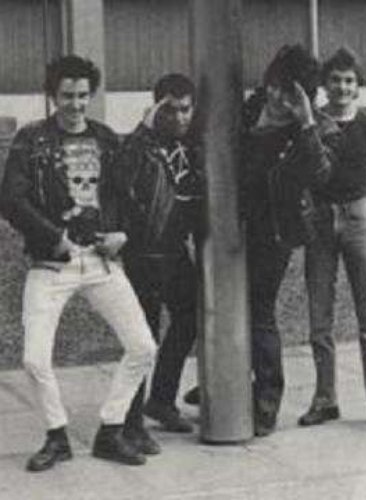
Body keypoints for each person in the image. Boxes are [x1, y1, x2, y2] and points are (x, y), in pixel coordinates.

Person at [0, 55, 157, 472]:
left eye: (83, 95)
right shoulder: (31, 139)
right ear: (53, 95)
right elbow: (10, 199)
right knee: (34, 359)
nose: (75, 104)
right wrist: (53, 237)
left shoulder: (105, 138)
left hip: (101, 262)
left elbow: (127, 195)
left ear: (91, 95)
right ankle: (57, 437)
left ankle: (111, 430)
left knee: (143, 347)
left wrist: (123, 234)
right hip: (52, 263)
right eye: (67, 95)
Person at [299, 47, 366, 430]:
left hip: (359, 218)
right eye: (335, 80)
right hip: (320, 222)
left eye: (349, 81)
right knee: (319, 317)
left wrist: (365, 212)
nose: (342, 87)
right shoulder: (313, 125)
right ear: (325, 84)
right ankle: (325, 400)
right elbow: (302, 171)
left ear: (358, 86)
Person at [241, 45, 337, 437]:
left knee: (259, 312)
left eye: (290, 93)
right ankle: (230, 377)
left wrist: (306, 122)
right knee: (223, 305)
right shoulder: (249, 109)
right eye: (276, 86)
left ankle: (266, 402)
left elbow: (321, 174)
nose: (279, 98)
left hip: (272, 231)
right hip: (232, 225)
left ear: (305, 97)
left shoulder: (311, 129)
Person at [119, 74, 204, 443]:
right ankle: (131, 423)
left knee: (190, 316)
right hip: (143, 253)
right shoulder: (142, 146)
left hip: (174, 250)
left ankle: (162, 400)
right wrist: (144, 129)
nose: (179, 117)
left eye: (186, 109)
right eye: (170, 110)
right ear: (156, 110)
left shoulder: (192, 144)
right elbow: (122, 175)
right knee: (144, 337)